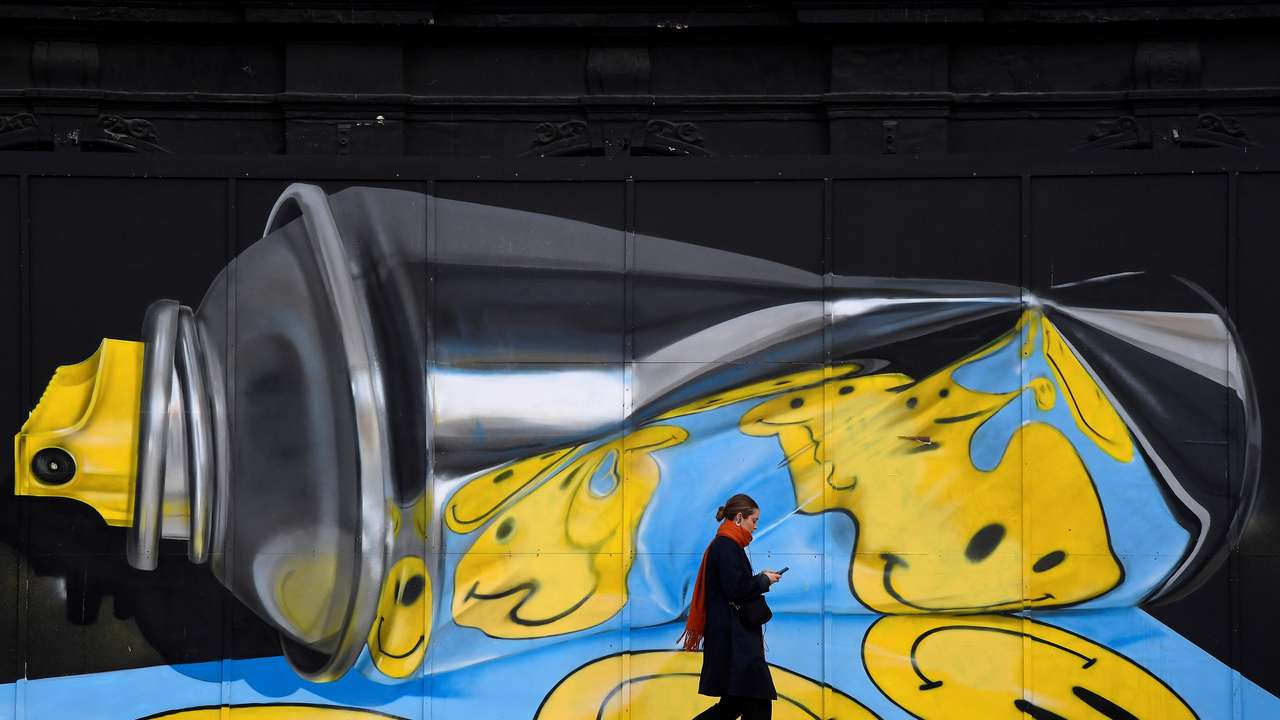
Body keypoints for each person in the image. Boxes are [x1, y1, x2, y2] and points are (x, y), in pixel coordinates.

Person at [679, 493, 783, 720]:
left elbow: (734, 586)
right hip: (736, 641)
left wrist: (760, 579)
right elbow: (736, 589)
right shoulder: (726, 546)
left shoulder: (726, 545)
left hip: (733, 639)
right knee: (757, 702)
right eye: (753, 520)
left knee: (734, 705)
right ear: (739, 518)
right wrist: (763, 580)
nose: (755, 527)